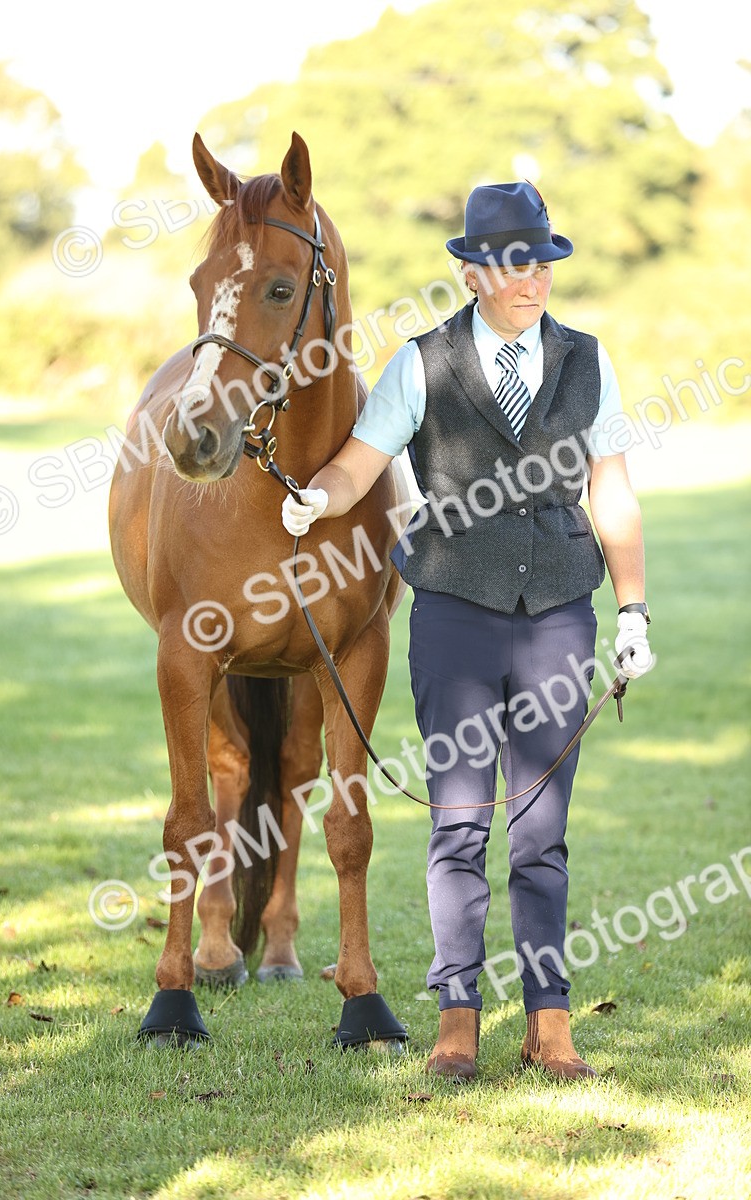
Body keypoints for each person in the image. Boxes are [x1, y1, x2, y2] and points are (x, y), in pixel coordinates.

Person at [281, 181, 653, 1081]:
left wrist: (634, 608)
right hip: (451, 615)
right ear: (473, 270)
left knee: (541, 830)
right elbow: (358, 463)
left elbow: (612, 487)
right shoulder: (421, 363)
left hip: (561, 614)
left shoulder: (589, 363)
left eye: (544, 262)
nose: (535, 280)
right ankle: (457, 1015)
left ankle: (550, 1019)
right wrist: (312, 502)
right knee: (456, 824)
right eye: (516, 264)